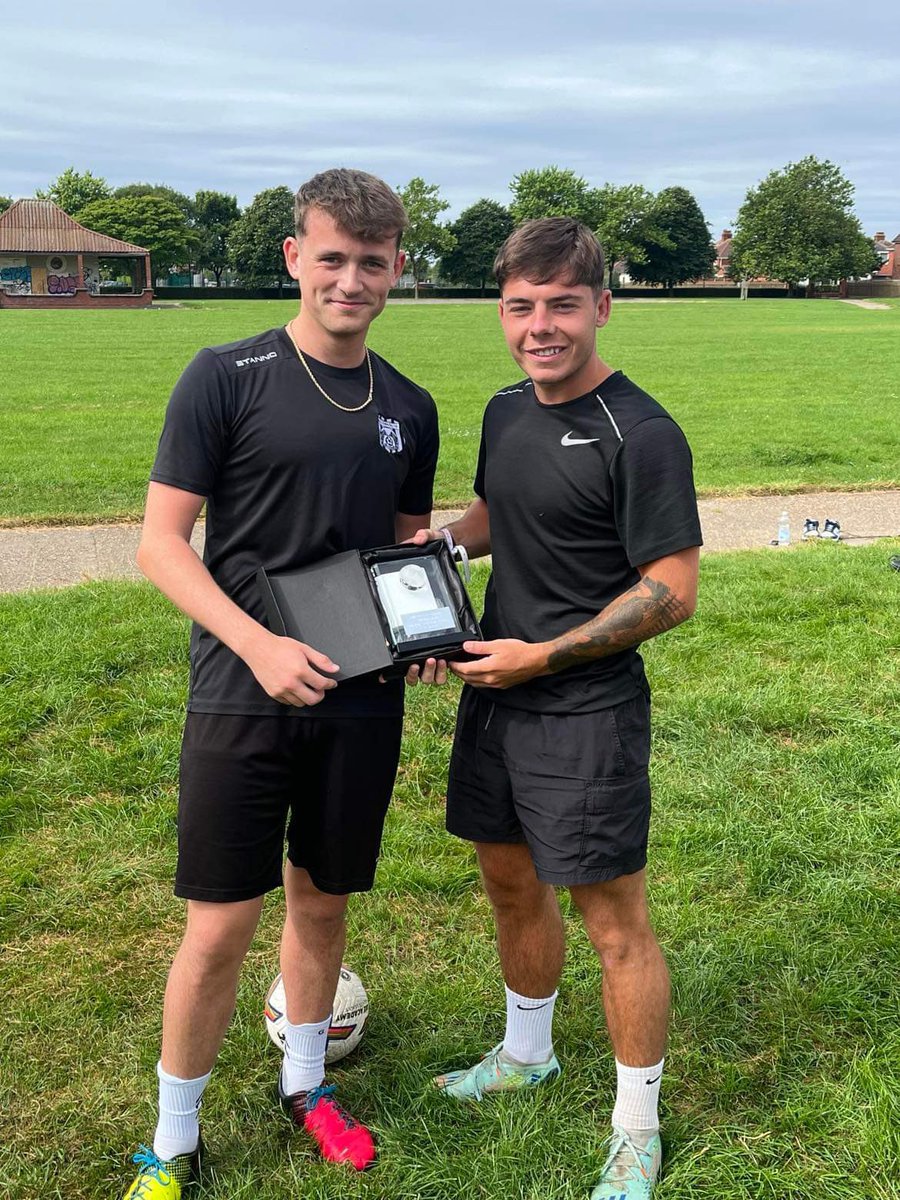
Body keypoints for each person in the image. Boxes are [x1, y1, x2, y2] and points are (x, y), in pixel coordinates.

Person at [126, 169, 438, 1198]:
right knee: (220, 922)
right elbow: (164, 546)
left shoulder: (409, 405)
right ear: (296, 258)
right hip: (241, 689)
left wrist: (427, 623)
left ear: (398, 269)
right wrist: (257, 644)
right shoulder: (225, 374)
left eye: (374, 262)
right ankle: (173, 1138)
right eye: (333, 258)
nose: (352, 280)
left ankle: (305, 1085)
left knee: (324, 903)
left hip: (359, 699)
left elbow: (402, 551)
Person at [409, 217, 701, 1199]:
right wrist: (431, 560)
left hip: (584, 709)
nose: (541, 326)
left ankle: (636, 1125)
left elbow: (672, 587)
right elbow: (498, 513)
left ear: (602, 308)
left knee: (615, 923)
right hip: (498, 694)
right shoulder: (504, 410)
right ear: (501, 311)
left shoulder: (643, 432)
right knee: (509, 885)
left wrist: (546, 656)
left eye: (562, 305)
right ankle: (527, 1053)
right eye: (521, 306)